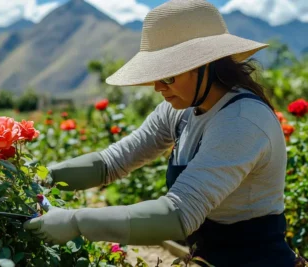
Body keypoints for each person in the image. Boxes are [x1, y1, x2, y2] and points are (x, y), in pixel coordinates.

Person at [23, 0, 301, 266]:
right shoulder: (181, 110)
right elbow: (113, 161)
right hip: (209, 258)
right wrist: (42, 178)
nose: (158, 87)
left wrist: (77, 222)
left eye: (169, 76)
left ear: (207, 65)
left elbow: (178, 213)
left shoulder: (241, 121)